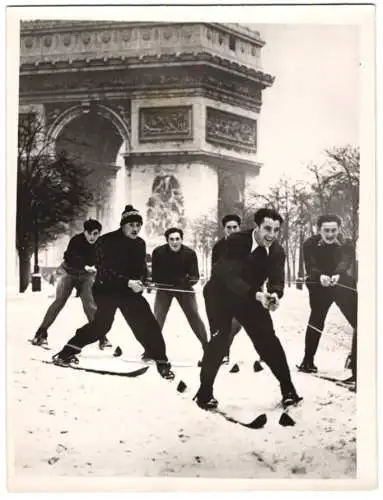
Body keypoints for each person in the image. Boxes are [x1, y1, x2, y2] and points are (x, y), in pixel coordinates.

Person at [51, 205, 175, 380]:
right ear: (123, 225)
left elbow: (140, 267)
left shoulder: (140, 243)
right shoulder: (106, 241)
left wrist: (144, 280)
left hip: (129, 292)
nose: (136, 229)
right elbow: (104, 270)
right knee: (101, 326)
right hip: (106, 289)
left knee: (148, 324)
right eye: (131, 225)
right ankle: (66, 352)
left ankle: (163, 363)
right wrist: (128, 282)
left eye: (138, 225)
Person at [195, 208, 302, 410]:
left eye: (276, 230)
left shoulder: (277, 251)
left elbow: (277, 279)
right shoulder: (236, 241)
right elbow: (230, 277)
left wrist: (274, 295)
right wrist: (257, 294)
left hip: (250, 296)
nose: (271, 234)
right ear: (257, 227)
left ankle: (288, 390)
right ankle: (204, 392)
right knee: (220, 339)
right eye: (267, 228)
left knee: (268, 341)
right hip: (220, 294)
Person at [31, 218, 111, 350]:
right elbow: (69, 257)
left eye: (95, 234)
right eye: (89, 233)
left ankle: (102, 337)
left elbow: (103, 261)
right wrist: (84, 265)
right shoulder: (76, 240)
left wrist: (98, 269)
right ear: (84, 232)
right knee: (59, 301)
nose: (92, 237)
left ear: (99, 234)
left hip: (87, 276)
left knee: (89, 304)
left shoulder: (100, 245)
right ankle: (41, 333)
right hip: (69, 272)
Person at [297, 214, 358, 386]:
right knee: (316, 319)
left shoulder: (347, 244)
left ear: (339, 229)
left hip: (342, 285)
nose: (330, 234)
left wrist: (338, 274)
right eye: (326, 230)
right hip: (318, 286)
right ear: (319, 230)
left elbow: (345, 262)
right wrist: (319, 275)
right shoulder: (309, 244)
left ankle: (356, 362)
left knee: (358, 321)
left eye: (333, 230)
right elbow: (310, 264)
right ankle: (307, 361)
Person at [210, 214, 263, 371]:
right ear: (224, 229)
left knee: (255, 322)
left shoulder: (248, 244)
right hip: (225, 291)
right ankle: (223, 354)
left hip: (247, 289)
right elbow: (216, 270)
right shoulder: (218, 247)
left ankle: (264, 354)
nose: (232, 230)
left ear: (239, 228)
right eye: (229, 228)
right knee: (226, 324)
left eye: (235, 227)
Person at [151, 228, 209, 361]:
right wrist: (169, 280)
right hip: (165, 289)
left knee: (194, 315)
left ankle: (207, 348)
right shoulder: (158, 252)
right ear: (167, 241)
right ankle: (151, 349)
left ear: (181, 239)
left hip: (184, 289)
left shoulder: (189, 253)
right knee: (158, 317)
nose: (175, 242)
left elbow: (195, 277)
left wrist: (185, 281)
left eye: (177, 239)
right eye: (171, 239)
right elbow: (156, 276)